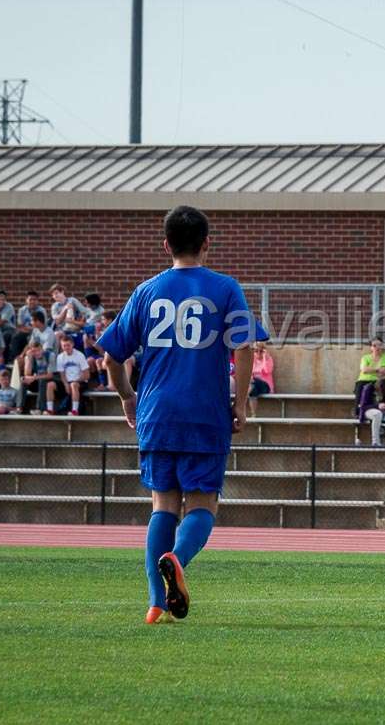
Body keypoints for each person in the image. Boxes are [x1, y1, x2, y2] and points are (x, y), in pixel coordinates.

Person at [98, 205, 266, 625]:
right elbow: (244, 348)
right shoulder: (225, 288)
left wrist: (126, 397)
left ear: (166, 244)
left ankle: (156, 604)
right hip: (204, 412)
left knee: (163, 505)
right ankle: (178, 557)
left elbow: (111, 356)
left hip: (156, 411)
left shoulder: (146, 291)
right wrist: (240, 401)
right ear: (206, 243)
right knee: (203, 504)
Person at [353, 337, 385, 420]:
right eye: (374, 345)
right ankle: (357, 411)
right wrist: (378, 370)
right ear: (371, 347)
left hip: (378, 381)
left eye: (379, 345)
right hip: (364, 380)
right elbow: (364, 369)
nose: (377, 347)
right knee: (359, 388)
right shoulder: (366, 357)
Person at [54, 335, 89, 416]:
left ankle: (74, 411)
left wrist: (75, 381)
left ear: (72, 344)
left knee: (73, 385)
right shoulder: (60, 357)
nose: (66, 347)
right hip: (68, 382)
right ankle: (49, 410)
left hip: (80, 381)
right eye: (64, 345)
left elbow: (87, 375)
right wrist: (66, 384)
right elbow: (62, 374)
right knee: (50, 385)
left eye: (68, 345)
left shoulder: (80, 355)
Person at [21, 340, 57, 415]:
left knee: (42, 380)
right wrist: (29, 359)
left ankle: (39, 408)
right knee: (23, 381)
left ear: (42, 349)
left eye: (38, 350)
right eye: (33, 351)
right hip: (38, 381)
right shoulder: (30, 357)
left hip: (49, 381)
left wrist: (33, 378)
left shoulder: (50, 355)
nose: (37, 353)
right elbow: (27, 374)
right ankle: (19, 408)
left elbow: (50, 375)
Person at [10, 291, 47, 359]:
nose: (32, 301)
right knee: (16, 337)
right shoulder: (22, 310)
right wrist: (32, 328)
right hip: (24, 332)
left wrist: (30, 329)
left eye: (34, 300)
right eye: (30, 299)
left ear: (38, 301)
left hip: (38, 332)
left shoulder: (42, 310)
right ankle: (15, 359)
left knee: (30, 338)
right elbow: (20, 325)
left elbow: (43, 326)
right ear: (26, 300)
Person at [248, 341, 273, 417]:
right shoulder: (252, 360)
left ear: (264, 350)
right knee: (252, 390)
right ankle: (254, 414)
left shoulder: (268, 359)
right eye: (256, 351)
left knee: (252, 382)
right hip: (254, 386)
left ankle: (238, 403)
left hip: (266, 386)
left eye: (261, 351)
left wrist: (265, 357)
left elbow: (267, 370)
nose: (258, 353)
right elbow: (249, 372)